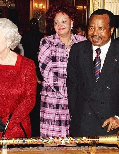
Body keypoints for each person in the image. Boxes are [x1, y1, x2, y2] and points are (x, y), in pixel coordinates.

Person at [67, 9, 119, 137]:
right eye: (91, 28)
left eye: (100, 28)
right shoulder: (77, 50)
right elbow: (72, 86)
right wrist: (76, 114)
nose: (95, 33)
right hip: (82, 126)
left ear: (111, 30)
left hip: (112, 127)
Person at [38, 0, 86, 137]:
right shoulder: (46, 43)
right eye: (56, 22)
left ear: (72, 21)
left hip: (78, 103)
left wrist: (78, 96)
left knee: (76, 144)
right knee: (53, 146)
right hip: (53, 102)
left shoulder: (83, 43)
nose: (59, 25)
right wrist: (70, 93)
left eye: (64, 21)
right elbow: (47, 74)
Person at [21, 18, 44, 137]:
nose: (34, 25)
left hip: (39, 67)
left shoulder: (42, 36)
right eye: (32, 23)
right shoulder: (26, 35)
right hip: (28, 64)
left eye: (35, 23)